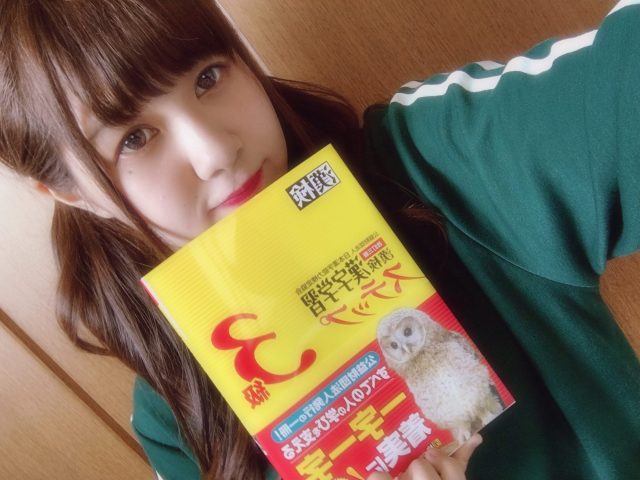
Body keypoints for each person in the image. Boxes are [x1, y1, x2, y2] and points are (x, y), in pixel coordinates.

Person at [1, 0, 638, 479]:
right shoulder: (174, 414)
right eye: (134, 139)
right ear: (69, 191)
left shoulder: (430, 166)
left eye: (209, 76)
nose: (216, 151)